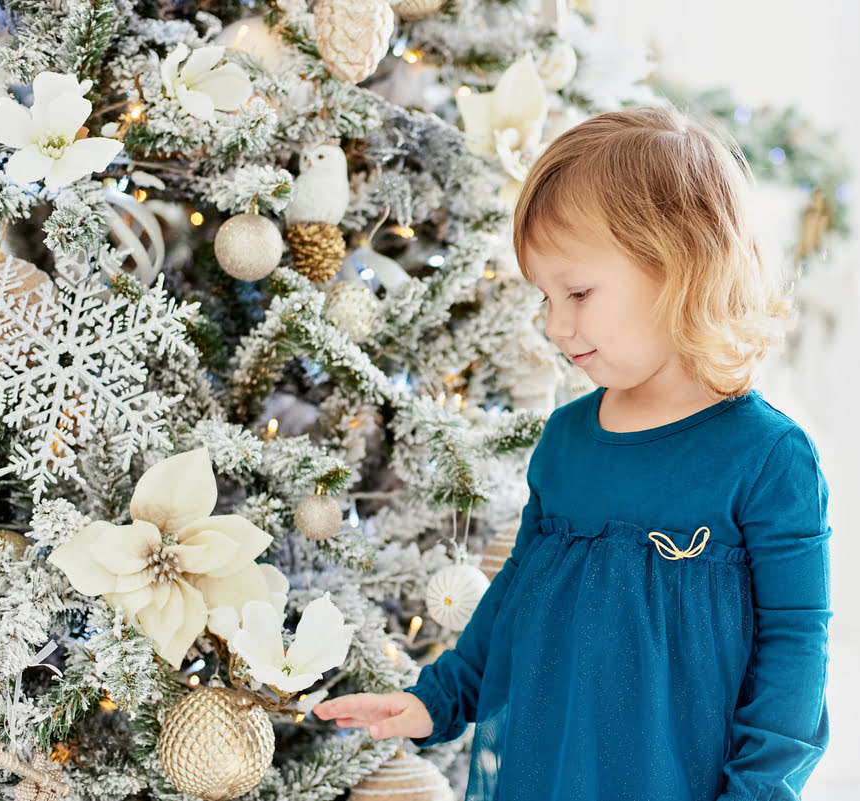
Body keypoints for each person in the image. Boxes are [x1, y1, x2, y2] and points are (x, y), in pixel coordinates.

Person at [314, 106, 832, 801]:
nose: (556, 325)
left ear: (681, 265)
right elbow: (516, 595)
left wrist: (758, 791)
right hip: (548, 771)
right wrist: (438, 699)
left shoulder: (768, 457)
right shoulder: (565, 440)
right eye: (546, 296)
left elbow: (795, 649)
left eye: (579, 291)